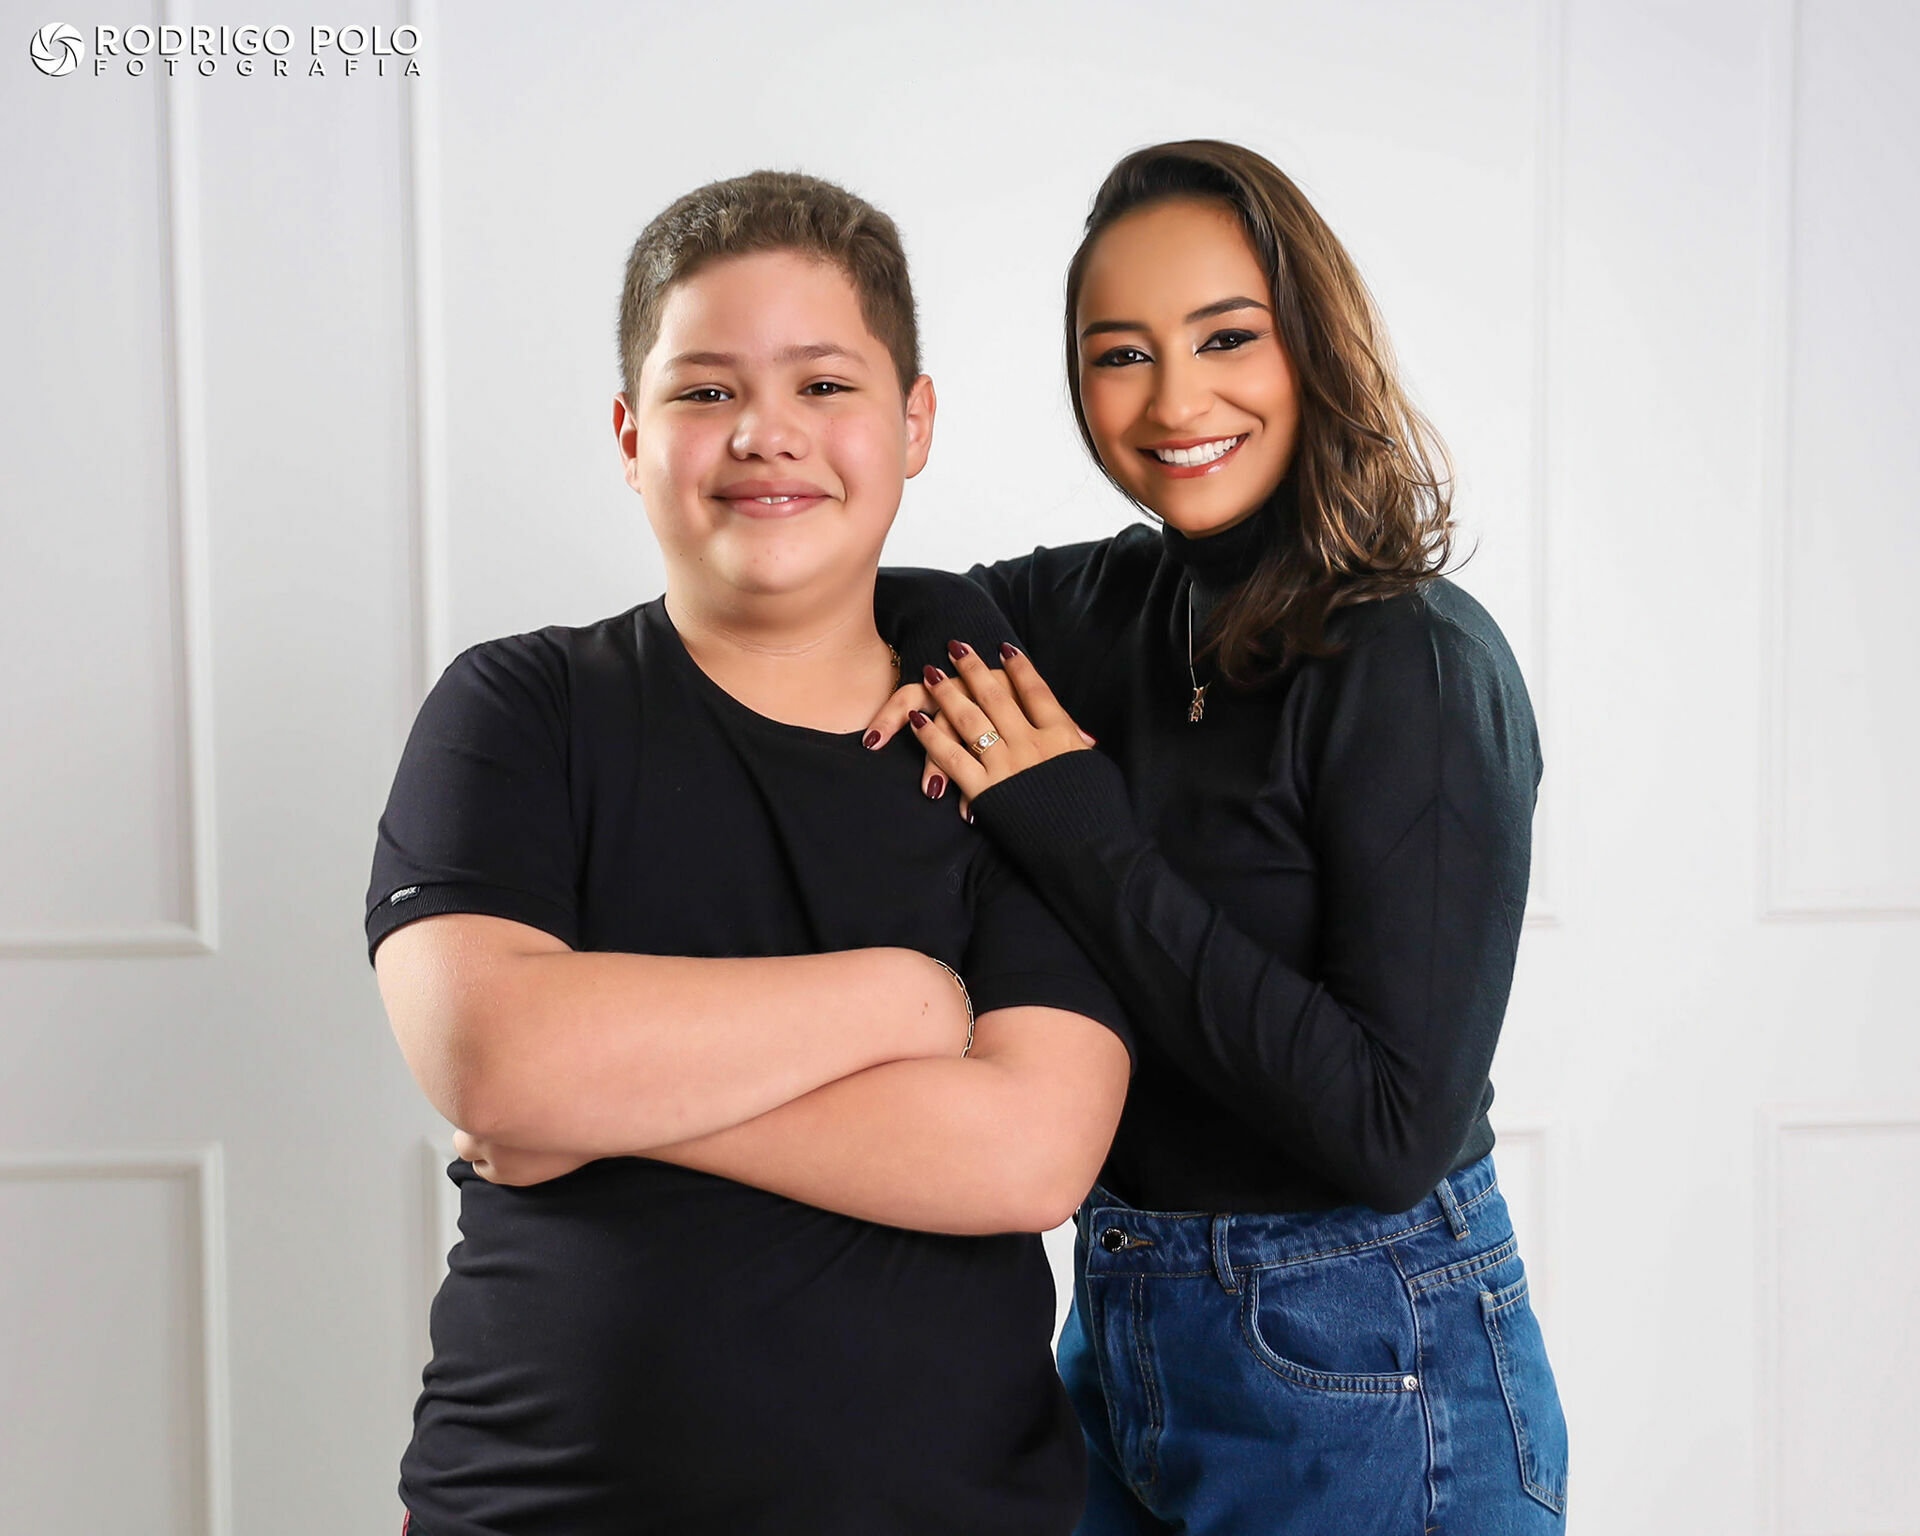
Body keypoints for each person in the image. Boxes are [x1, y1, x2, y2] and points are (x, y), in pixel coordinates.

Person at [364, 169, 1133, 1536]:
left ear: (915, 423)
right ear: (630, 435)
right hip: (540, 1505)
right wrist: (906, 1000)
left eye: (824, 385)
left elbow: (1027, 1155)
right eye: (706, 390)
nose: (767, 433)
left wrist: (600, 1103)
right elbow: (493, 1059)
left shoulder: (1004, 750)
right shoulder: (521, 708)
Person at [865, 139, 1570, 1534]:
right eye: (1121, 355)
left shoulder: (1416, 663)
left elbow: (1390, 1129)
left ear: (1313, 344)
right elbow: (914, 598)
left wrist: (1077, 827)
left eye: (1226, 338)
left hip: (1370, 1355)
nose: (1176, 400)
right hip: (1122, 1322)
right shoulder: (1117, 606)